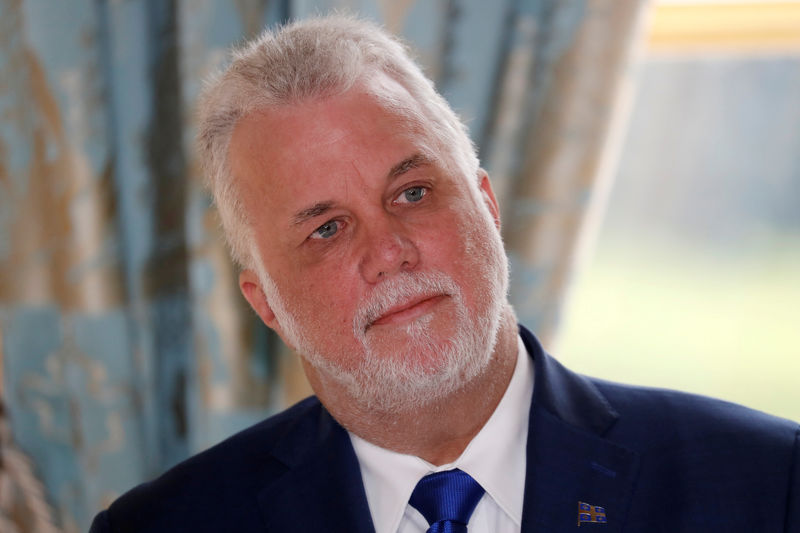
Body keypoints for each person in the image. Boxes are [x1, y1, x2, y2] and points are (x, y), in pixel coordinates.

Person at [90, 15, 799, 533]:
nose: (389, 250)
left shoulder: (767, 484)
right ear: (266, 303)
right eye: (327, 229)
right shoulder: (169, 525)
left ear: (486, 206)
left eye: (412, 193)